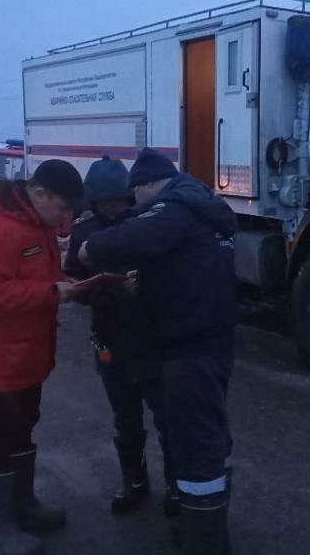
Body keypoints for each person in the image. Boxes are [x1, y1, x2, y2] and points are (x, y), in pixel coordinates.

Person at [77, 148, 236, 555]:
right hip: (196, 343)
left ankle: (202, 540)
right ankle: (193, 520)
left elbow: (128, 240)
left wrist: (92, 251)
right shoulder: (198, 207)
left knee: (194, 447)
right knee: (201, 440)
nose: (126, 205)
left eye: (131, 195)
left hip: (183, 350)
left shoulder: (174, 210)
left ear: (146, 186)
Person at [0, 159, 83, 555]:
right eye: (64, 207)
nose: (67, 217)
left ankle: (22, 506)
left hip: (28, 355)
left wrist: (66, 284)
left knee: (24, 428)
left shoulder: (37, 224)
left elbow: (35, 278)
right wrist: (50, 294)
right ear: (40, 193)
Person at [63, 155, 179, 517]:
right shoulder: (84, 232)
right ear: (93, 202)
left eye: (117, 202)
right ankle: (134, 482)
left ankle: (177, 486)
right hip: (109, 338)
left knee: (167, 418)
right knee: (125, 419)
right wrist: (98, 291)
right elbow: (71, 279)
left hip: (151, 339)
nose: (112, 210)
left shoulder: (147, 225)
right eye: (104, 204)